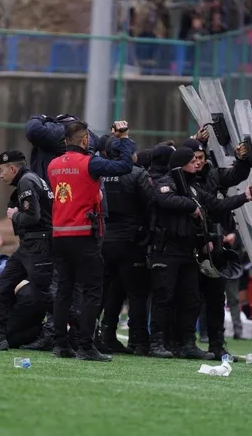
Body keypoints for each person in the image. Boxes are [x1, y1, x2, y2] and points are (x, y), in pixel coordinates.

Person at [148, 147, 252, 360]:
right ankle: (157, 342)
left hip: (189, 251)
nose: (197, 163)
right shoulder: (167, 181)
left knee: (192, 298)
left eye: (198, 159)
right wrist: (190, 206)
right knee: (164, 297)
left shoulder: (193, 187)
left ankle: (188, 343)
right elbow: (164, 199)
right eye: (191, 160)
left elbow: (216, 205)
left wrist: (245, 197)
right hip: (167, 250)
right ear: (181, 163)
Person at [48, 120, 136, 361]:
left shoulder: (53, 165)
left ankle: (60, 344)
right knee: (92, 291)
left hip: (59, 234)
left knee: (64, 290)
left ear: (65, 140)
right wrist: (124, 140)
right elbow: (125, 166)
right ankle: (86, 345)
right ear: (85, 140)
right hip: (84, 234)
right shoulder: (90, 163)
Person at [0, 150, 55, 351]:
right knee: (1, 285)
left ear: (13, 168)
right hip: (28, 247)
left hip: (39, 246)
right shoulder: (31, 179)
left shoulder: (27, 181)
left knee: (44, 295)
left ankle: (79, 331)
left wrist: (14, 215)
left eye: (2, 170)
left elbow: (33, 217)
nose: (0, 175)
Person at [99, 135, 153, 355]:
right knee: (137, 294)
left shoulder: (100, 174)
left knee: (107, 292)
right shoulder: (138, 174)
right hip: (131, 242)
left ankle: (102, 336)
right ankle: (139, 341)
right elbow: (150, 205)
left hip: (105, 240)